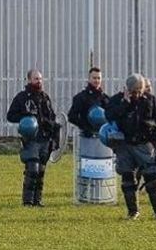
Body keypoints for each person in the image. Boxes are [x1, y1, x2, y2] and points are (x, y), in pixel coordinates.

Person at [105, 73, 156, 221]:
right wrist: (125, 103)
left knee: (153, 179)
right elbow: (109, 116)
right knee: (128, 180)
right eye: (134, 91)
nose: (137, 94)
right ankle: (133, 212)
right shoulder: (117, 100)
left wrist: (153, 142)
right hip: (125, 145)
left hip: (144, 144)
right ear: (127, 89)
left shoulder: (151, 100)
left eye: (140, 90)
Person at [6, 69, 59, 206]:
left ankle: (37, 200)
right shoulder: (22, 98)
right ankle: (27, 200)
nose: (39, 81)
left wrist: (52, 128)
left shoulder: (45, 98)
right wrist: (25, 118)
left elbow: (52, 117)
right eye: (36, 79)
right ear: (29, 80)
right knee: (32, 170)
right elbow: (10, 116)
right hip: (31, 139)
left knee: (41, 171)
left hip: (45, 139)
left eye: (40, 79)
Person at [67, 67, 109, 137]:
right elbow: (71, 116)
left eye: (99, 78)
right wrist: (85, 127)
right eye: (94, 78)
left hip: (102, 138)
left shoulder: (105, 98)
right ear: (89, 79)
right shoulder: (81, 97)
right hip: (86, 138)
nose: (97, 80)